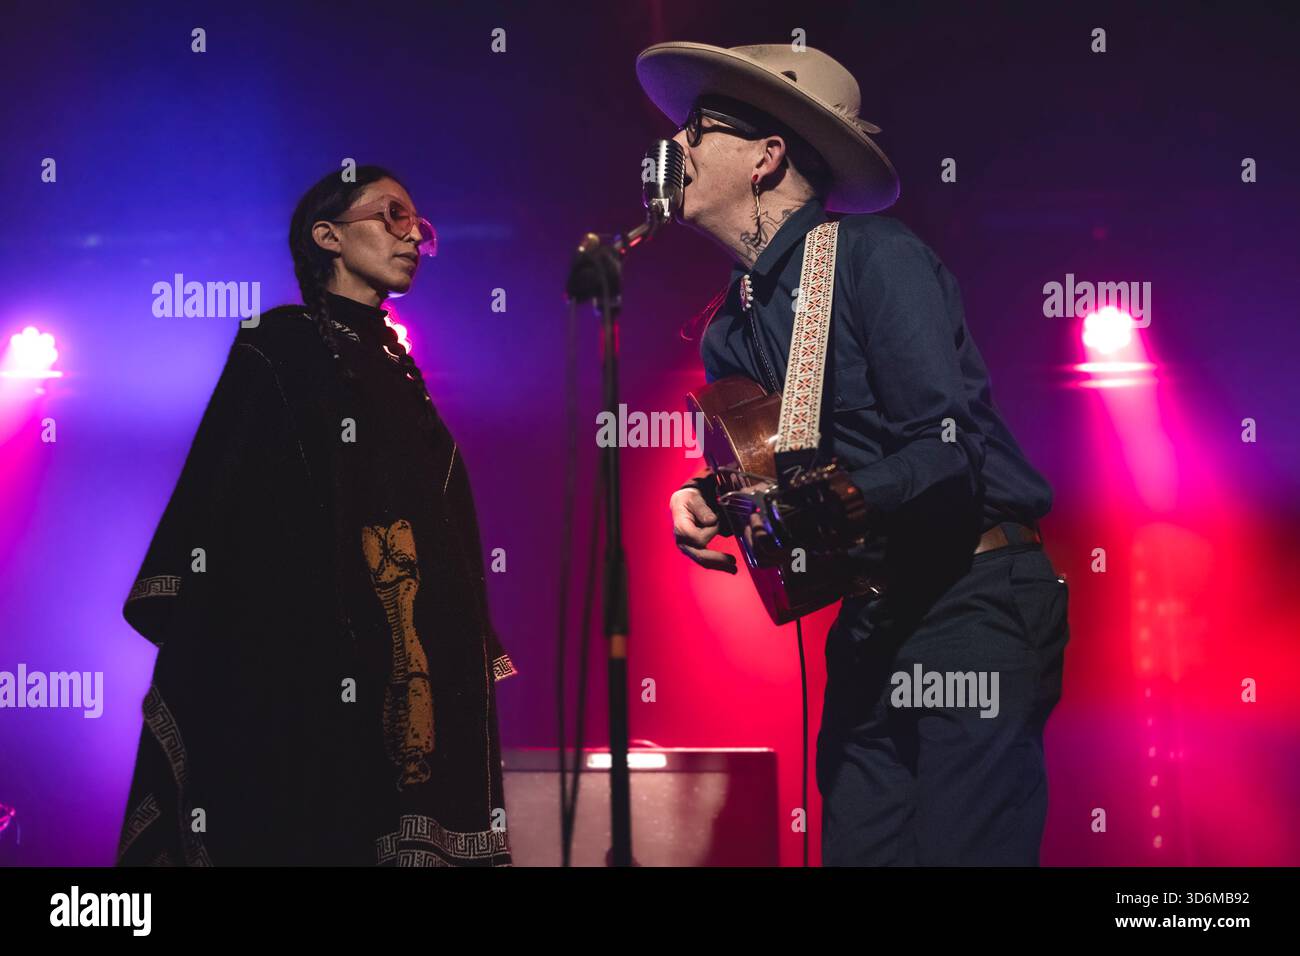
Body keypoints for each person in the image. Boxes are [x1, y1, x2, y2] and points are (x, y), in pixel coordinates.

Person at [645, 42, 1070, 865]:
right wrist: (706, 494)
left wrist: (857, 494)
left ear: (767, 157)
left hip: (971, 598)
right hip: (873, 614)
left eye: (698, 129)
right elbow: (765, 468)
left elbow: (946, 450)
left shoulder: (878, 257)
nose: (677, 148)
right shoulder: (730, 326)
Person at [116, 166, 517, 866]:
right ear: (327, 235)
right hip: (302, 673)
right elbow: (230, 503)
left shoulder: (397, 367)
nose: (413, 238)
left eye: (419, 227)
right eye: (392, 216)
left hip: (392, 661)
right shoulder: (280, 345)